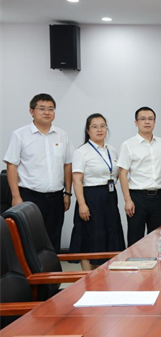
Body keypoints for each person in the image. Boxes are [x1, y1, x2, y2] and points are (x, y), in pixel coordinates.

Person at [3, 93, 73, 253]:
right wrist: (16, 196)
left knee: (53, 240)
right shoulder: (20, 135)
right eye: (42, 108)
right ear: (32, 111)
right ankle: (32, 271)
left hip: (56, 198)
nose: (47, 112)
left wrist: (68, 193)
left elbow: (68, 164)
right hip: (30, 197)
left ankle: (53, 269)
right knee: (30, 241)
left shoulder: (62, 135)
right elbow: (11, 166)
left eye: (51, 109)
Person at [69, 114, 125, 270]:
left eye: (102, 126)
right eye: (95, 126)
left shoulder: (112, 150)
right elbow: (77, 180)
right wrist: (82, 204)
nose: (99, 130)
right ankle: (88, 277)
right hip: (91, 197)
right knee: (90, 236)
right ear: (88, 131)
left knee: (109, 233)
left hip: (109, 197)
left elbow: (115, 174)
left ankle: (103, 275)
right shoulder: (82, 152)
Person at [117, 106, 161, 246]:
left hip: (158, 197)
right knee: (135, 239)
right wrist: (127, 200)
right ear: (136, 122)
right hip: (137, 198)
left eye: (150, 119)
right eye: (143, 119)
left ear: (155, 122)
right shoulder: (128, 145)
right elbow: (123, 173)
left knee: (157, 239)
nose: (147, 122)